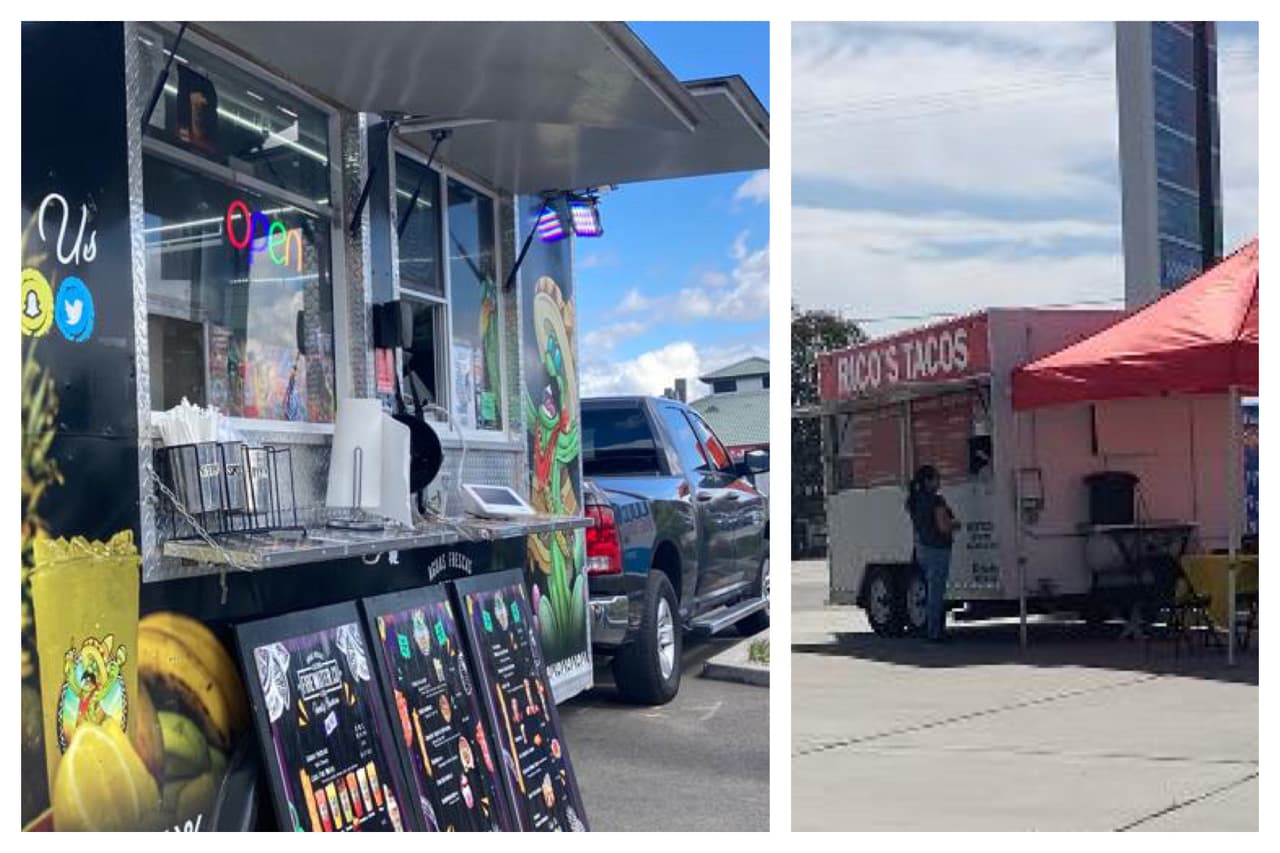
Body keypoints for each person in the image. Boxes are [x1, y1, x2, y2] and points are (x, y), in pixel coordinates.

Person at [905, 465, 961, 642]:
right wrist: (956, 524)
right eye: (936, 478)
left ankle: (929, 629)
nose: (939, 481)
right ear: (928, 481)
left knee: (929, 591)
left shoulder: (913, 500)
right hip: (938, 549)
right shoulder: (936, 501)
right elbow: (943, 526)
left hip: (922, 548)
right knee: (936, 593)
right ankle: (934, 633)